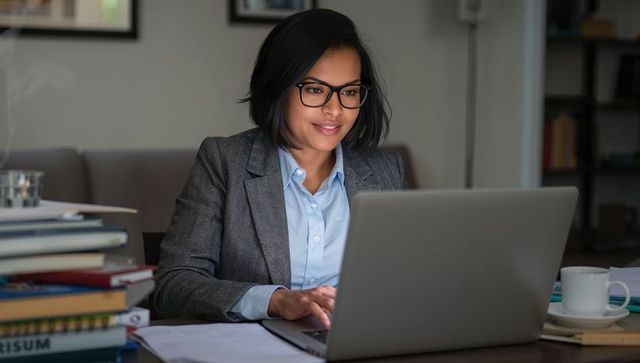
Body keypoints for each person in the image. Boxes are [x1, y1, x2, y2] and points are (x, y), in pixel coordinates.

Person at [153, 8, 406, 330]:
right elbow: (174, 286)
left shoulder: (386, 170)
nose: (335, 110)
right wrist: (278, 301)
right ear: (278, 87)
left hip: (356, 341)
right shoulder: (224, 161)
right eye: (315, 89)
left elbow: (402, 283)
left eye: (350, 92)